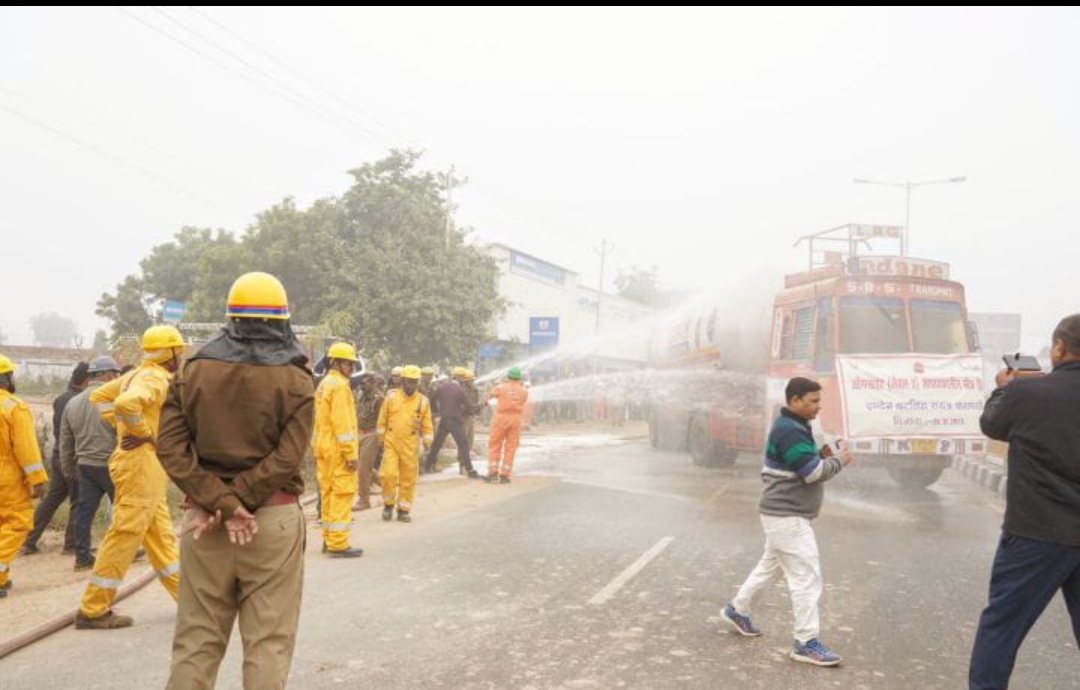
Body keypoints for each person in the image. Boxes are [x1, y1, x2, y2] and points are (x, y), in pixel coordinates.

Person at [156, 271, 314, 688]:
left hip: (203, 524)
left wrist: (221, 504)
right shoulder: (298, 379)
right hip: (272, 521)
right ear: (282, 320)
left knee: (197, 641)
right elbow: (287, 458)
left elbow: (170, 449)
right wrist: (237, 506)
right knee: (268, 642)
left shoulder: (192, 371)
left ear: (230, 318)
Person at [968, 314, 1080, 690]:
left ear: (1059, 348)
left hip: (1035, 534)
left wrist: (1003, 389)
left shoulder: (1026, 393)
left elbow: (992, 425)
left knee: (1002, 627)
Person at [720, 376, 852, 667]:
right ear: (795, 401)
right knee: (806, 578)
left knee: (769, 568)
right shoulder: (790, 429)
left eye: (820, 401)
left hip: (781, 515)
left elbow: (802, 463)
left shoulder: (793, 426)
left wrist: (823, 454)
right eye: (813, 401)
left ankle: (737, 610)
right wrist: (840, 460)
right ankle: (805, 643)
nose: (819, 407)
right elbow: (812, 473)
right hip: (787, 516)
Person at [76, 326, 185, 629]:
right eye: (179, 350)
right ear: (171, 352)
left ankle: (189, 601)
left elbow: (98, 396)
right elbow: (125, 404)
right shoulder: (156, 378)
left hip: (143, 467)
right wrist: (144, 434)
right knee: (124, 535)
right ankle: (94, 608)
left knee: (161, 537)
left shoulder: (137, 373)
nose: (182, 356)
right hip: (141, 466)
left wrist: (123, 428)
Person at [60, 356, 121, 571]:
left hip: (85, 466)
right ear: (107, 375)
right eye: (116, 373)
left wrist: (69, 469)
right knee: (124, 511)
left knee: (84, 513)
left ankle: (82, 557)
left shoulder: (72, 403)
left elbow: (66, 441)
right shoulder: (114, 399)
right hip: (112, 465)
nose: (117, 378)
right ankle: (123, 553)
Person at [22, 361, 89, 555]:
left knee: (51, 500)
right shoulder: (82, 401)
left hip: (58, 457)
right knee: (78, 500)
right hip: (73, 458)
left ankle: (28, 540)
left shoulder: (60, 399)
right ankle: (71, 544)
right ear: (86, 380)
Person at [0, 354, 48, 599]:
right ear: (7, 379)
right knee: (18, 523)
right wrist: (37, 479)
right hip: (7, 478)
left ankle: (2, 578)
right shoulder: (13, 407)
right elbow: (26, 448)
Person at [313, 342, 363, 558]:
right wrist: (350, 455)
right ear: (335, 362)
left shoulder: (325, 383)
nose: (351, 367)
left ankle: (328, 538)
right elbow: (342, 425)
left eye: (352, 364)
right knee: (342, 494)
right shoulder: (340, 386)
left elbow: (320, 422)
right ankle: (338, 544)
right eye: (347, 363)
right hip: (337, 451)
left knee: (327, 494)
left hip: (323, 448)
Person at [377, 365, 432, 523]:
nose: (412, 385)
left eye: (415, 382)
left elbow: (427, 426)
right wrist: (380, 440)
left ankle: (403, 509)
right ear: (402, 381)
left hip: (410, 445)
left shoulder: (423, 401)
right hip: (391, 443)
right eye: (409, 382)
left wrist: (427, 443)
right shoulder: (391, 398)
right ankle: (388, 505)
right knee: (388, 475)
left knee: (408, 479)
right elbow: (382, 421)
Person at [423, 370, 480, 478]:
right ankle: (470, 469)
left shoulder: (442, 388)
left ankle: (427, 466)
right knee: (463, 444)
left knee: (437, 444)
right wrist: (479, 406)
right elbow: (470, 408)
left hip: (444, 419)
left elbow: (431, 399)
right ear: (461, 379)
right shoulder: (460, 390)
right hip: (454, 420)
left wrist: (436, 411)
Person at [486, 366, 529, 483]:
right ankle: (505, 475)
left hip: (501, 418)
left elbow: (492, 394)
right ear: (519, 378)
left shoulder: (500, 388)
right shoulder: (524, 391)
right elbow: (523, 400)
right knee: (511, 447)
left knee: (495, 444)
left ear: (508, 377)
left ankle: (493, 473)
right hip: (516, 420)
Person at [353, 373, 383, 511]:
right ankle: (388, 485)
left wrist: (380, 438)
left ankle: (364, 500)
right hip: (359, 433)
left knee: (363, 468)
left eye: (364, 384)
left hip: (372, 434)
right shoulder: (362, 396)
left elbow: (382, 420)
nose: (361, 386)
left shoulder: (379, 399)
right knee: (364, 467)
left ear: (372, 383)